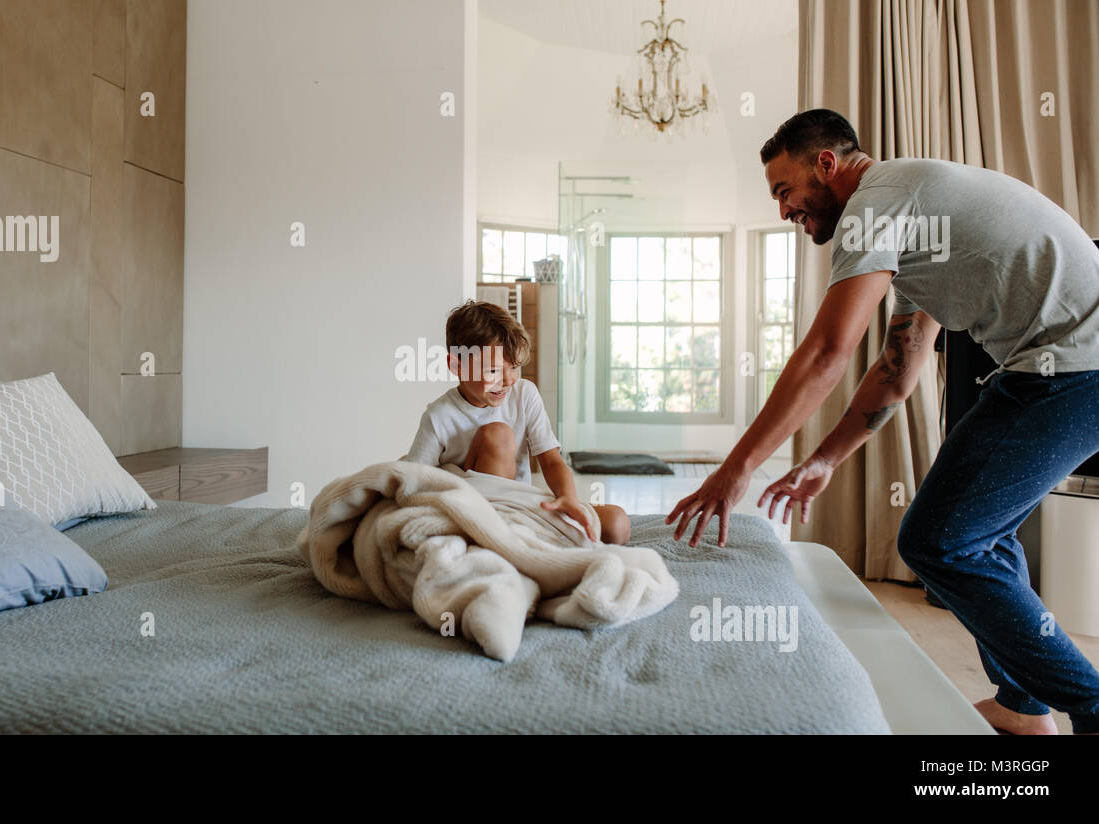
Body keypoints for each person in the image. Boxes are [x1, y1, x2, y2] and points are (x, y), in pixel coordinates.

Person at [666, 108, 1099, 734]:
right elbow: (897, 368)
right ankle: (1021, 704)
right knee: (983, 532)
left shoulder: (876, 204)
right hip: (1054, 367)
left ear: (826, 164)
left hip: (1073, 368)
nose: (784, 211)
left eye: (785, 191)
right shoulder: (912, 217)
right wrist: (822, 460)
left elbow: (826, 352)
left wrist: (737, 469)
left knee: (939, 541)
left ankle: (1088, 702)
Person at [407, 300, 631, 545]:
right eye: (492, 371)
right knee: (499, 435)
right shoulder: (438, 416)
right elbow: (413, 485)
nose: (507, 380)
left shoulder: (525, 395)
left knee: (617, 523)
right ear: (455, 365)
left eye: (513, 367)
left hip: (525, 507)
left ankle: (527, 542)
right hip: (478, 514)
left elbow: (551, 460)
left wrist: (568, 498)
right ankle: (511, 543)